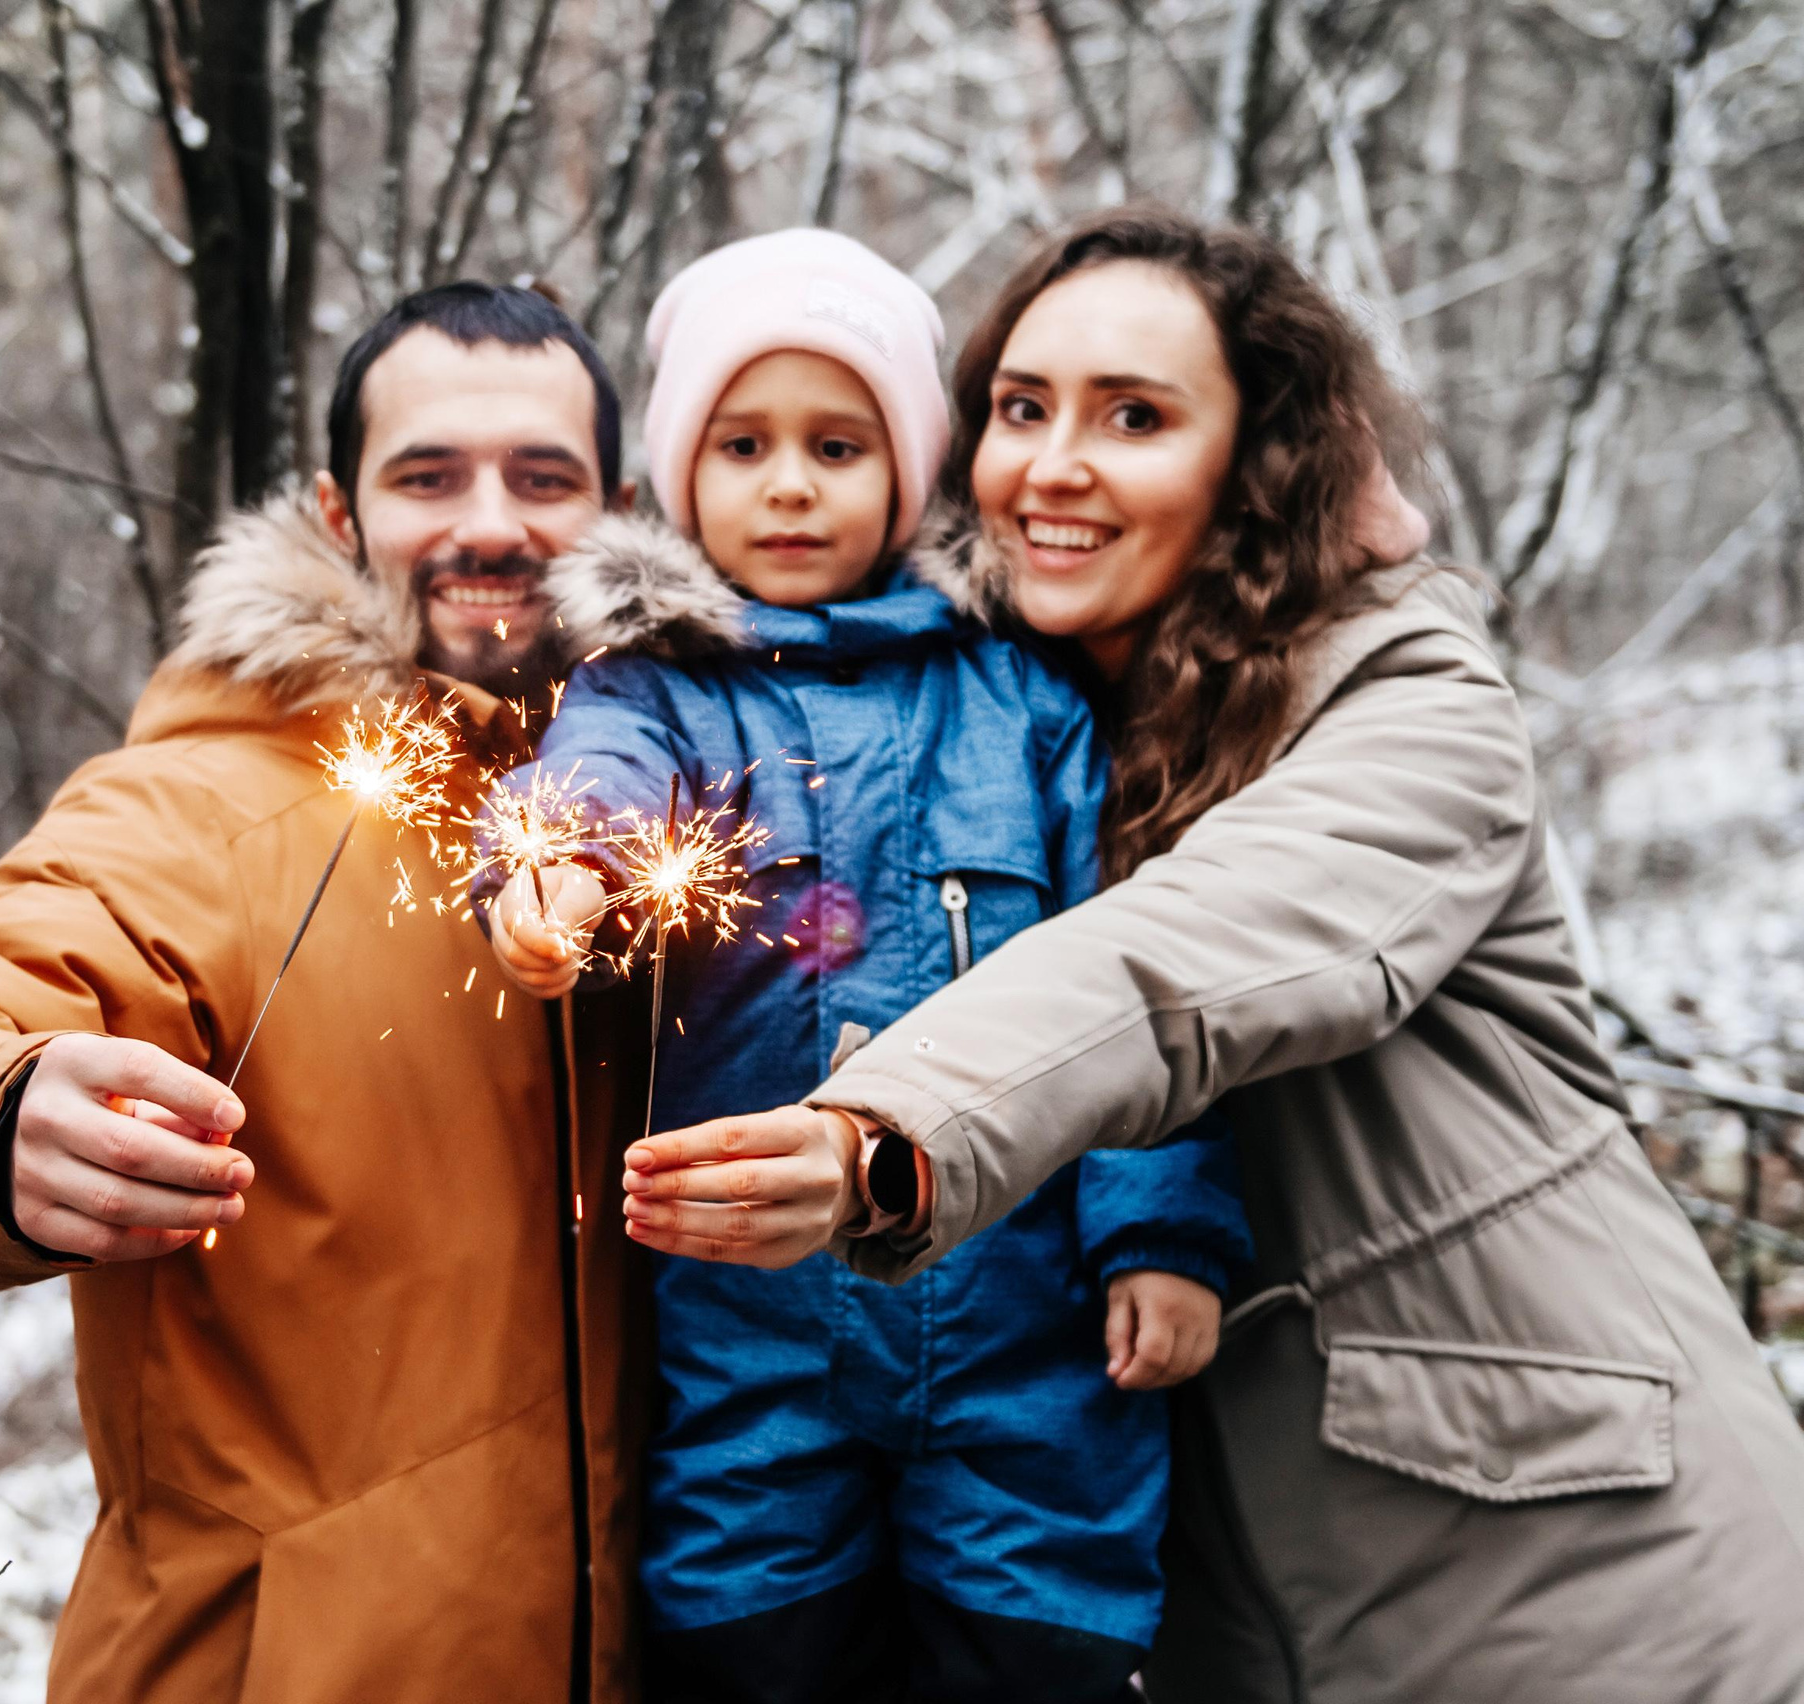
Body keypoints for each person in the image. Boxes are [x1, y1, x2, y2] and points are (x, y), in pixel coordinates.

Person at [623, 208, 1804, 1702]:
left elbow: (1171, 967)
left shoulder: (1409, 701)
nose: (1055, 467)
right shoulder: (1025, 712)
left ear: (1255, 463)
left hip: (1578, 1556)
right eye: (1021, 409)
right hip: (1255, 1595)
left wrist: (882, 1132)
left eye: (1135, 418)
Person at [0, 283, 652, 1703]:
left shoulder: (680, 818)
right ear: (341, 514)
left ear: (619, 509)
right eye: (428, 476)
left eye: (544, 479)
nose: (491, 524)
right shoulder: (204, 812)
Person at [479, 230, 1253, 1704]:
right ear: (679, 474)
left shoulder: (1021, 698)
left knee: (1037, 1642)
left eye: (837, 446)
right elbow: (597, 786)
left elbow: (1131, 974)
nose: (790, 485)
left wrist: (1163, 1234)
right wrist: (558, 872)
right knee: (755, 1640)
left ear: (910, 471)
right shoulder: (656, 692)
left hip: (1024, 1321)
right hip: (750, 1331)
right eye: (744, 446)